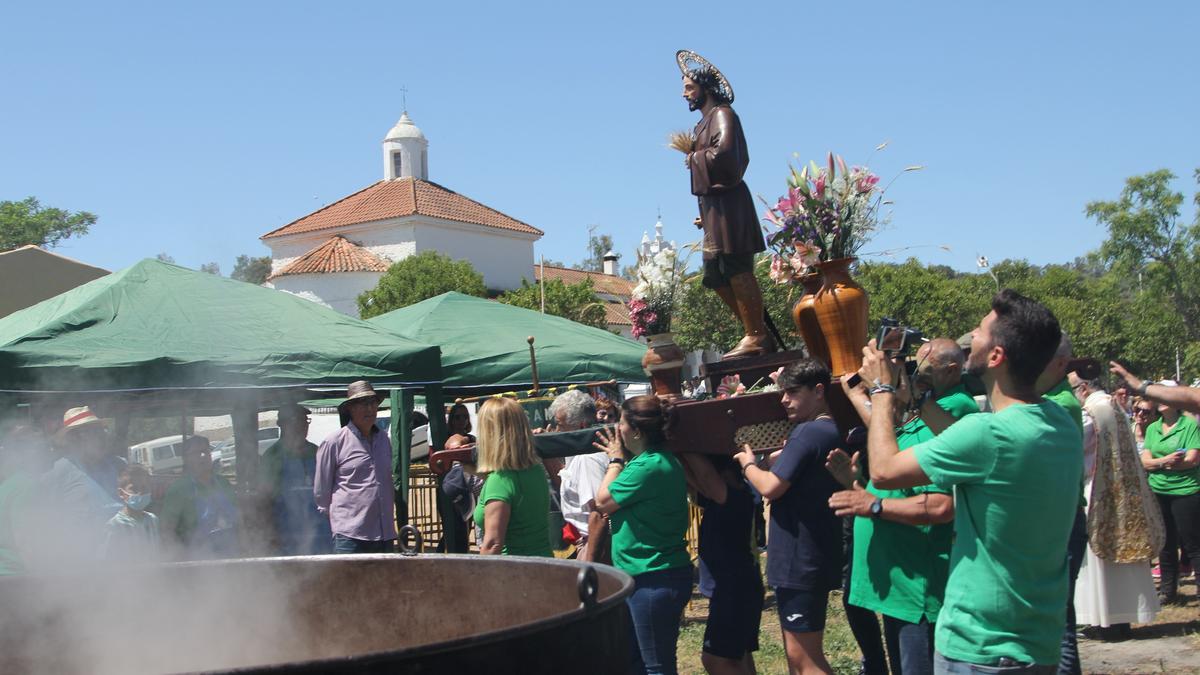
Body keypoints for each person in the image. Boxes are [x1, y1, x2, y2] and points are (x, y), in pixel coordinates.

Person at [861, 289, 1083, 674]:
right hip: (1035, 642)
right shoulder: (1059, 420)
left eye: (978, 332)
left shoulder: (987, 434)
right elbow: (968, 449)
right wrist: (918, 396)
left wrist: (880, 391)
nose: (970, 337)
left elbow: (883, 469)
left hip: (981, 646)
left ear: (997, 356)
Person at [828, 349, 966, 675]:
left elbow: (941, 505)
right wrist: (857, 488)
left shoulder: (942, 420)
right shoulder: (912, 423)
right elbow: (892, 479)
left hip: (918, 590)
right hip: (898, 589)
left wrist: (873, 505)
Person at [733, 359, 843, 675]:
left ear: (819, 391)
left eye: (792, 392)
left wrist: (747, 463)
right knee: (799, 657)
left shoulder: (807, 433)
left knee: (804, 659)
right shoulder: (827, 431)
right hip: (810, 555)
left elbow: (771, 487)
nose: (784, 400)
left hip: (800, 558)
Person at [677, 50, 770, 359]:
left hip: (730, 206)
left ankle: (756, 335)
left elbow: (728, 156)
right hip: (714, 210)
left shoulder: (723, 115)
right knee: (714, 275)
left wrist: (693, 158)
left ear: (705, 87)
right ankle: (754, 329)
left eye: (689, 86)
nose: (684, 93)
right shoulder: (701, 124)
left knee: (736, 267)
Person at [594, 395, 691, 675]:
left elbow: (603, 501)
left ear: (636, 431)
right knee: (636, 664)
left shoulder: (646, 467)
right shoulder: (655, 461)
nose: (617, 429)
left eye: (621, 422)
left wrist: (614, 460)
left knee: (656, 668)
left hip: (653, 578)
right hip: (649, 576)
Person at [1067, 370, 1161, 638]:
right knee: (1117, 560)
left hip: (1097, 487)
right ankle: (1120, 618)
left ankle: (1105, 620)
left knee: (1100, 559)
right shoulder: (1114, 406)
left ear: (1083, 388)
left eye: (1073, 388)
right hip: (1120, 486)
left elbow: (1076, 445)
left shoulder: (1091, 412)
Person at [681, 453, 763, 675]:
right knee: (739, 655)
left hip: (734, 589)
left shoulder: (734, 496)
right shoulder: (738, 492)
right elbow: (701, 482)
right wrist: (680, 457)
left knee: (715, 659)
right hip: (742, 586)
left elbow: (707, 479)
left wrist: (683, 444)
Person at [1034, 334, 1087, 675]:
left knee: (1060, 620)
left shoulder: (1060, 404)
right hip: (1059, 517)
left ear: (1060, 364)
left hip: (1064, 522)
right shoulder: (1050, 397)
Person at [1129, 380, 1200, 605]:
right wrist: (1166, 461)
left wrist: (1161, 464)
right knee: (1165, 542)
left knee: (1192, 543)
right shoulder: (1153, 428)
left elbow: (1192, 460)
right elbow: (1145, 461)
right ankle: (1168, 591)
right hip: (1159, 490)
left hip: (1186, 491)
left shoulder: (1189, 425)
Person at [314, 381, 396, 554]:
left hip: (384, 533)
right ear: (350, 408)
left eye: (373, 403)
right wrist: (343, 522)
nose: (369, 409)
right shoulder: (334, 442)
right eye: (363, 403)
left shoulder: (384, 440)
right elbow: (322, 493)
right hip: (350, 535)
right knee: (350, 582)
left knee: (384, 582)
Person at [41, 406, 125, 557]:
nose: (101, 437)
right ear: (73, 439)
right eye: (92, 432)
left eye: (101, 431)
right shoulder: (59, 473)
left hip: (125, 553)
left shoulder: (120, 466)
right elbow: (46, 521)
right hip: (84, 559)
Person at [473, 397, 552, 557]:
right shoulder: (535, 470)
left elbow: (492, 544)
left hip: (513, 573)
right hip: (544, 565)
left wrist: (476, 579)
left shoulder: (500, 480)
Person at [260, 404, 331, 555]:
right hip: (287, 534)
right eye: (297, 421)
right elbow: (264, 500)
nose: (303, 425)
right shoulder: (273, 456)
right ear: (283, 425)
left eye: (305, 421)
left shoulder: (316, 451)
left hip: (320, 534)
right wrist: (270, 534)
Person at [549, 390, 609, 563]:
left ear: (581, 426)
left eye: (560, 424)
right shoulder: (577, 452)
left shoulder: (586, 458)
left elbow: (599, 513)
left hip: (593, 544)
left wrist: (589, 560)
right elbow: (566, 482)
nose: (556, 429)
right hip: (586, 542)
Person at [159, 435, 240, 560]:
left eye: (205, 451)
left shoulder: (223, 483)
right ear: (186, 459)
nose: (202, 456)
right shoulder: (179, 489)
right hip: (198, 560)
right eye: (197, 453)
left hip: (232, 555)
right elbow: (167, 530)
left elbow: (239, 520)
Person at [0, 426, 51, 575]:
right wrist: (40, 581)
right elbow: (25, 539)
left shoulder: (8, 485)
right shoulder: (26, 486)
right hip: (17, 577)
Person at [103, 463, 160, 562]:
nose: (140, 493)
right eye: (134, 489)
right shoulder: (114, 526)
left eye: (144, 488)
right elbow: (106, 561)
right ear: (121, 493)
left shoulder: (153, 520)